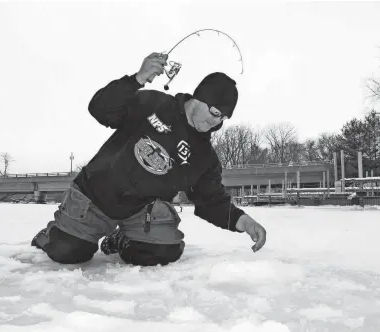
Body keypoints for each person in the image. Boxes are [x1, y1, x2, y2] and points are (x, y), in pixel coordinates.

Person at [31, 52, 267, 266]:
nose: (217, 122)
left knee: (164, 252)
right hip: (94, 195)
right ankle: (55, 234)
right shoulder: (153, 104)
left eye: (224, 118)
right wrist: (137, 79)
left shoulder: (204, 157)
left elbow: (211, 199)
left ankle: (121, 239)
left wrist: (245, 222)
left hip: (139, 212)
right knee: (67, 251)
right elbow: (100, 109)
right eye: (215, 113)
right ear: (199, 98)